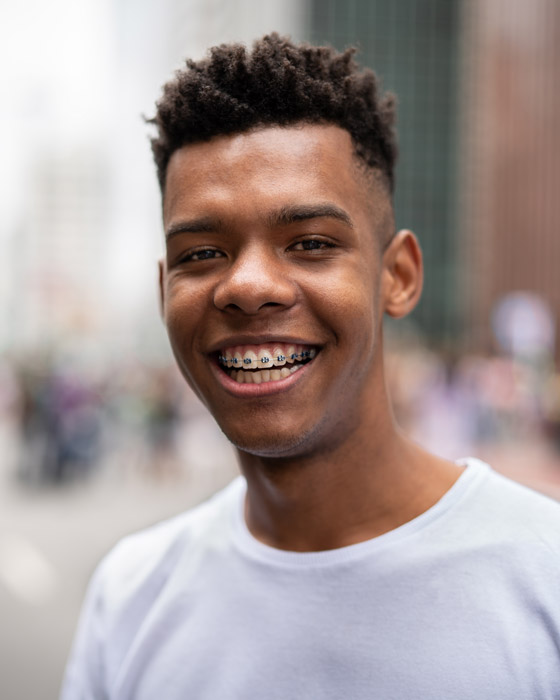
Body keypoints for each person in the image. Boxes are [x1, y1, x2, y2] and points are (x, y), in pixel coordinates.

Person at [61, 34, 560, 699]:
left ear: (399, 276)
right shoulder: (128, 597)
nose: (246, 285)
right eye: (201, 253)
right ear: (163, 294)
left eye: (311, 244)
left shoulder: (543, 577)